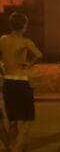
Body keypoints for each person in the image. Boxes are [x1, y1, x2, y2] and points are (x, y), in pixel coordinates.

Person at [0, 12, 43, 152]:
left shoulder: (3, 39)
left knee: (12, 119)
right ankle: (18, 147)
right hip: (22, 82)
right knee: (27, 118)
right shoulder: (26, 42)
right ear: (24, 26)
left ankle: (12, 145)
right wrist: (29, 64)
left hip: (8, 83)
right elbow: (38, 55)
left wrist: (3, 67)